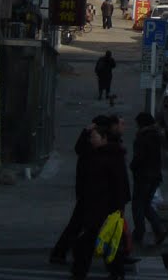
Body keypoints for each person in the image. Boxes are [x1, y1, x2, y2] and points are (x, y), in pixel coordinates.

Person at [71, 118, 133, 280]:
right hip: (92, 205)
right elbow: (79, 148)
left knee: (102, 241)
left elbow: (120, 184)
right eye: (91, 137)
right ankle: (85, 272)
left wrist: (119, 207)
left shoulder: (113, 156)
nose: (91, 139)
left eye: (94, 136)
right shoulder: (93, 153)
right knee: (90, 242)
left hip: (106, 207)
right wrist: (85, 131)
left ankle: (115, 272)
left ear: (104, 138)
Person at [49, 114, 111, 264]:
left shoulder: (88, 145)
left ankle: (63, 252)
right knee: (82, 226)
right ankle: (68, 253)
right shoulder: (92, 148)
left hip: (88, 194)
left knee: (79, 226)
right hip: (89, 195)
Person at [130, 111, 167, 248]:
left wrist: (132, 166)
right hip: (155, 176)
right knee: (145, 204)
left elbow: (139, 158)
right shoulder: (155, 136)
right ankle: (159, 229)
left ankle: (139, 232)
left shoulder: (142, 137)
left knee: (138, 205)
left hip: (143, 176)